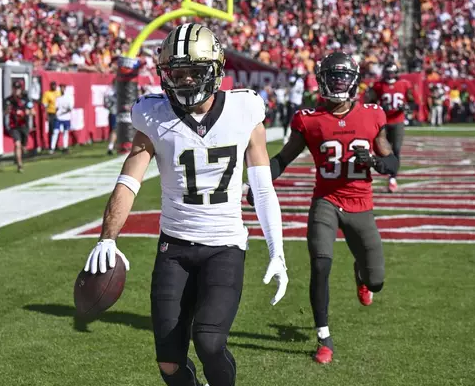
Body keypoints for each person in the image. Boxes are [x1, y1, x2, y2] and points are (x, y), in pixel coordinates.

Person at [82, 24, 289, 386]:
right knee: (168, 363)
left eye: (195, 71)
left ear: (216, 70)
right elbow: (128, 180)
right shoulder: (153, 114)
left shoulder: (244, 109)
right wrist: (108, 237)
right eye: (177, 73)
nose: (186, 81)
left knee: (209, 342)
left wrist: (277, 249)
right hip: (174, 248)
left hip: (224, 247)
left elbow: (262, 186)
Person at [247, 52, 397, 365]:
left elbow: (392, 160)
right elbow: (282, 159)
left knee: (377, 281)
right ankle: (324, 337)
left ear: (354, 81)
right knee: (320, 265)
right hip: (326, 201)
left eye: (343, 77)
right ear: (322, 79)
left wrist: (376, 162)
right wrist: (259, 183)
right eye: (333, 76)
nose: (338, 82)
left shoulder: (372, 114)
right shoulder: (308, 119)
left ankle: (361, 275)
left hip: (361, 204)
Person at [367, 62, 413, 192]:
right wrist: (380, 108)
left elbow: (412, 102)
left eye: (392, 72)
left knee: (396, 149)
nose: (390, 75)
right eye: (387, 72)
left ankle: (393, 178)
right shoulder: (378, 85)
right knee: (380, 150)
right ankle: (382, 170)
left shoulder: (404, 84)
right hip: (383, 122)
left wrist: (406, 108)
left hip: (398, 121)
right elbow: (371, 103)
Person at [4, 80, 33, 173]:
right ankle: (20, 165)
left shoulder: (25, 99)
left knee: (23, 146)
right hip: (14, 125)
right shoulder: (8, 100)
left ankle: (20, 153)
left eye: (18, 89)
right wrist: (8, 111)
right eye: (15, 88)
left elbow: (32, 110)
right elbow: (5, 112)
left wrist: (27, 112)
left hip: (24, 125)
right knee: (17, 144)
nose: (16, 90)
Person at [50, 84, 73, 154]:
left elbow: (70, 108)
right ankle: (52, 148)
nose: (62, 89)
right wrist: (57, 113)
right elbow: (56, 108)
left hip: (66, 118)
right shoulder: (58, 98)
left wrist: (62, 112)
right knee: (55, 132)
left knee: (65, 132)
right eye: (61, 88)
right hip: (59, 118)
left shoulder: (69, 97)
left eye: (63, 88)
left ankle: (65, 147)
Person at [104, 79, 118, 155]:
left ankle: (113, 146)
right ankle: (111, 146)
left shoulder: (109, 90)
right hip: (115, 112)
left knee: (114, 130)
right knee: (115, 130)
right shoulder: (112, 91)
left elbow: (106, 103)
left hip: (113, 112)